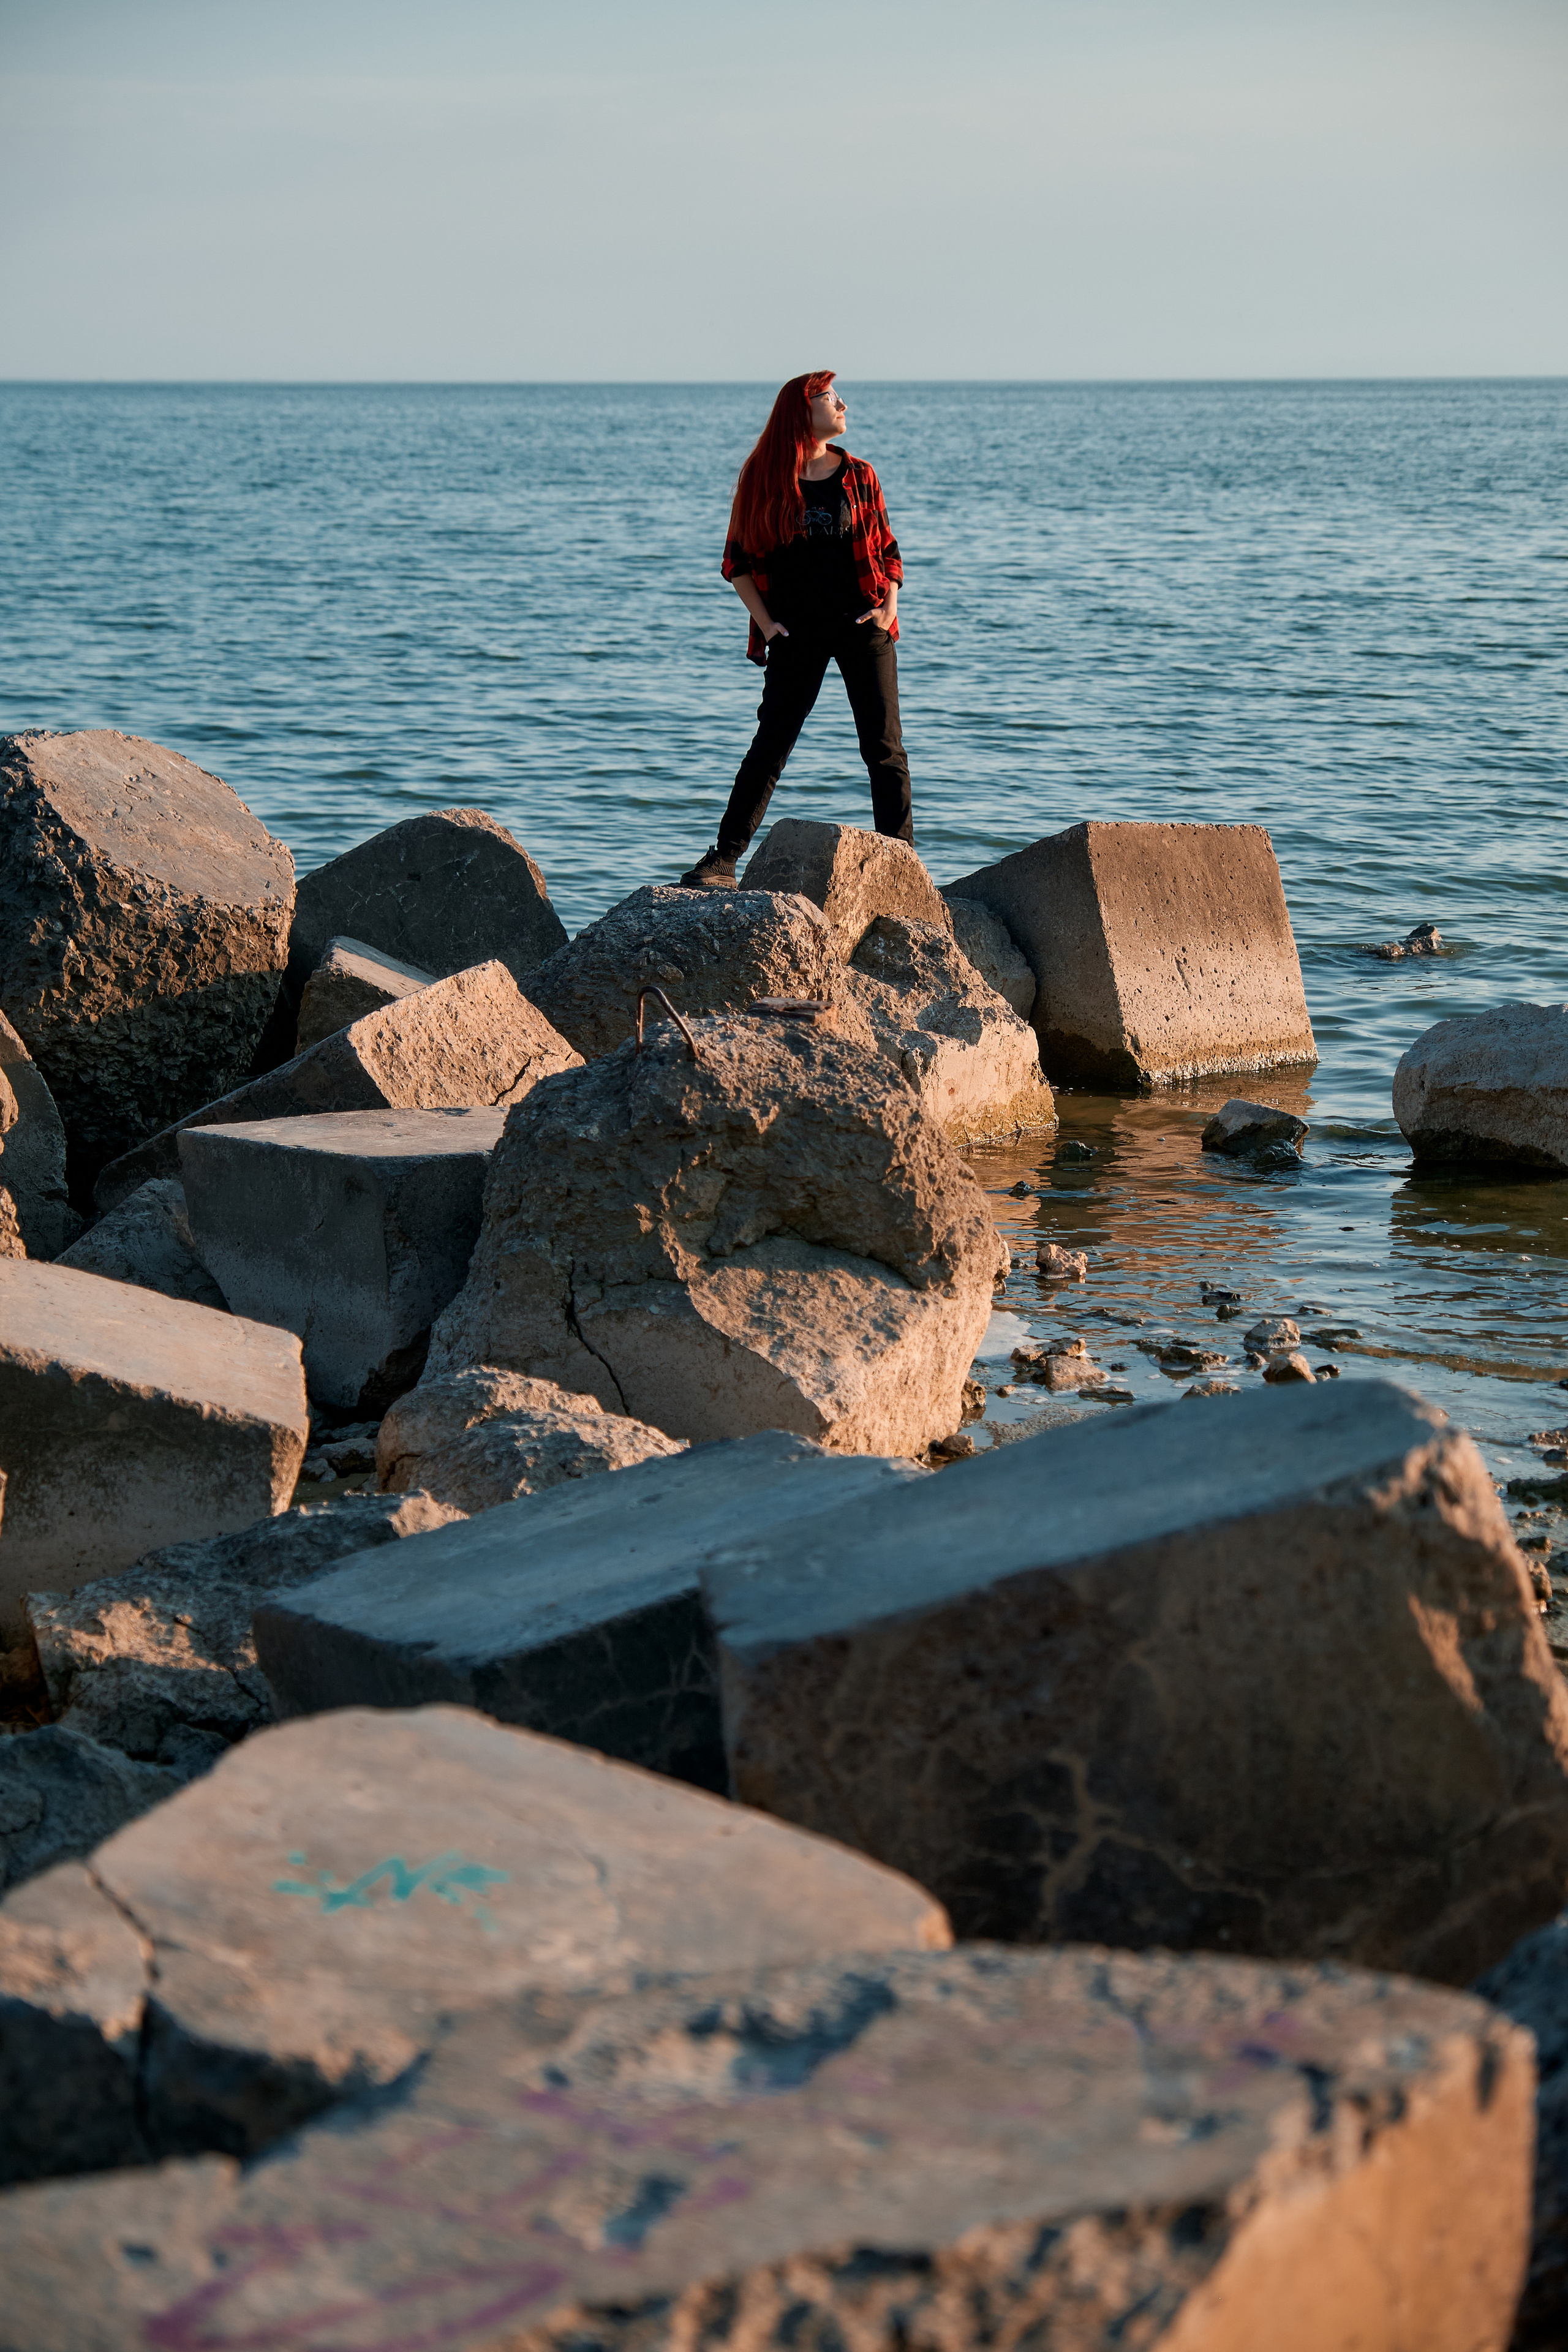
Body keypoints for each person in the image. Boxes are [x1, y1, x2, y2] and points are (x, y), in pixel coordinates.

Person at [678, 371, 911, 888]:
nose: (843, 404)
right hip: (795, 633)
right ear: (802, 411)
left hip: (862, 625)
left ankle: (902, 868)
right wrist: (767, 625)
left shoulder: (860, 475)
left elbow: (889, 553)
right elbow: (736, 560)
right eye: (831, 398)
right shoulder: (763, 475)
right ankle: (722, 860)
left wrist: (888, 608)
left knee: (884, 748)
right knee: (772, 744)